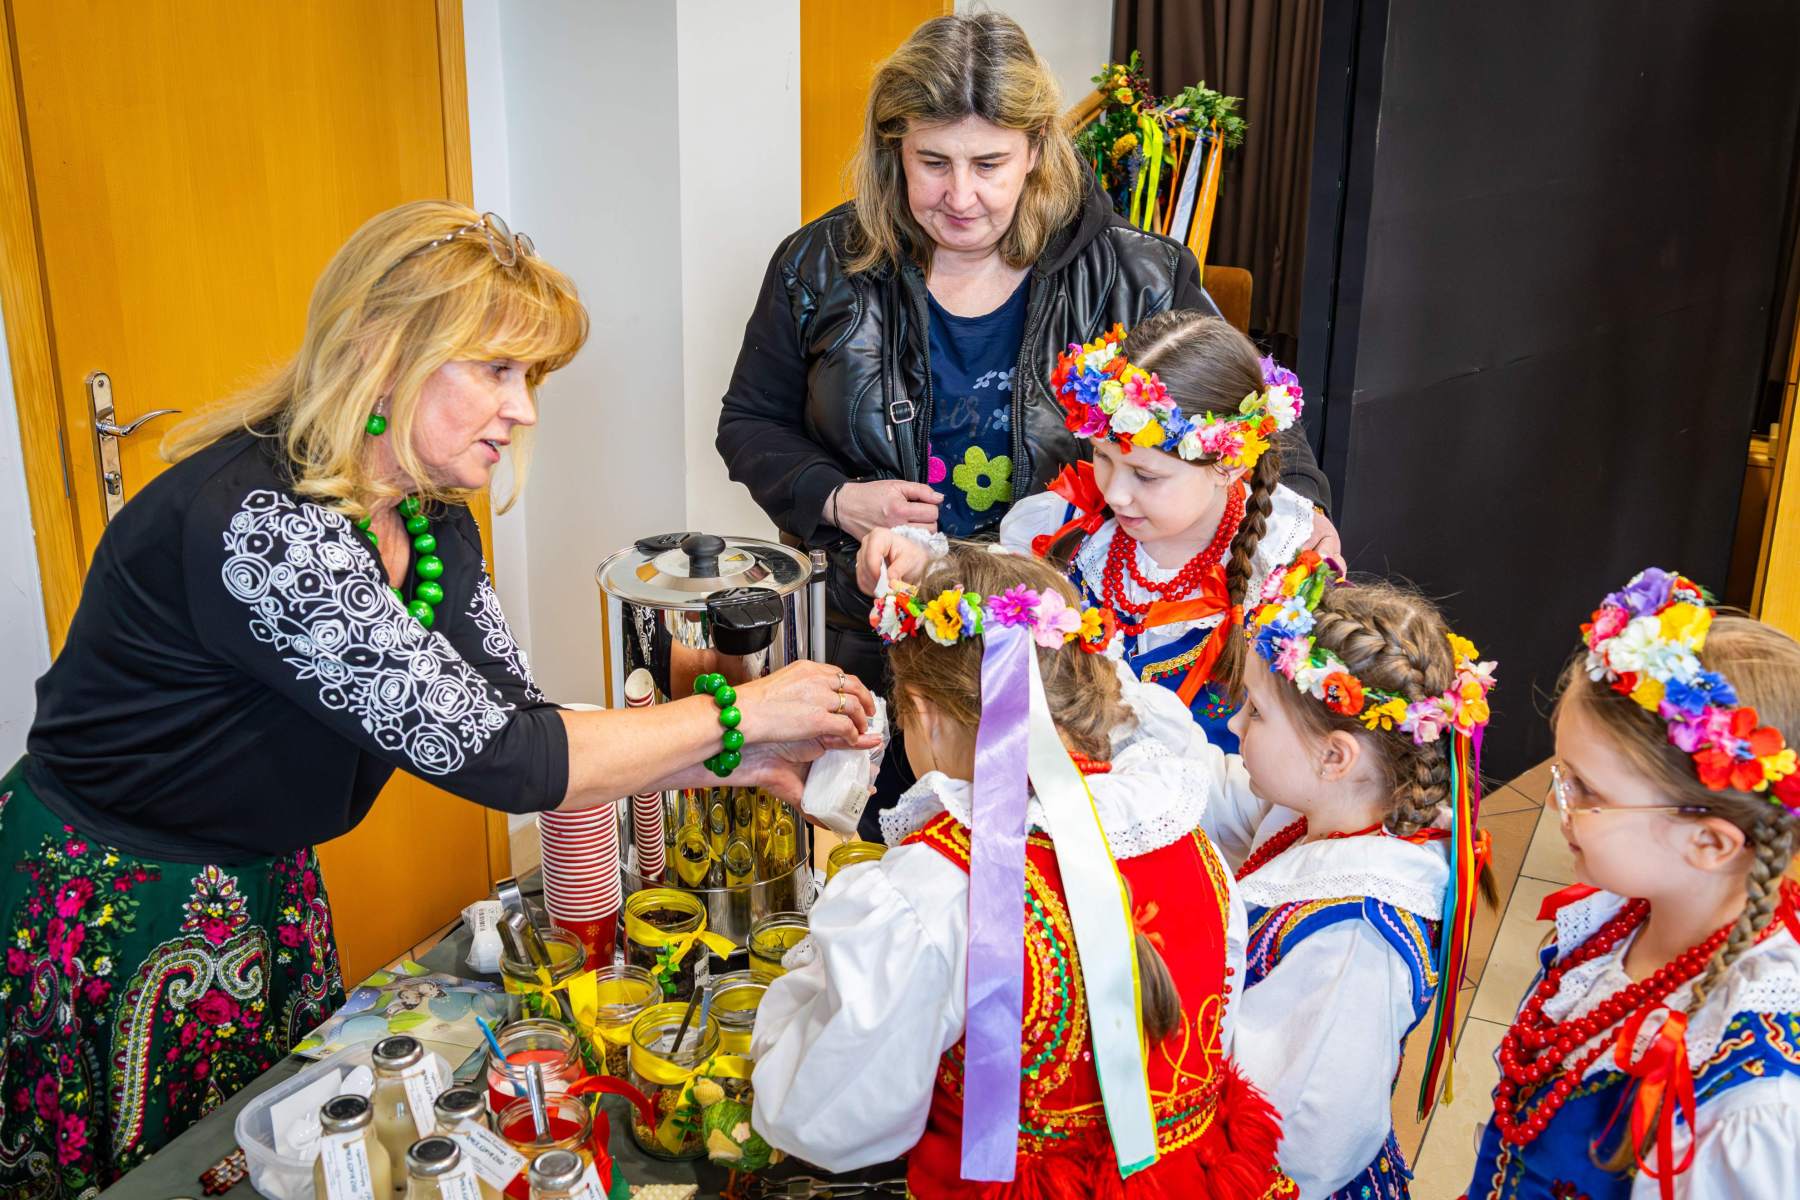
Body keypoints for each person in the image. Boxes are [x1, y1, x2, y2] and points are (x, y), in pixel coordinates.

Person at [0, 200, 872, 1194]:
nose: (524, 409)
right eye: (497, 369)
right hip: (121, 897)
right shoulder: (265, 527)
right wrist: (743, 712)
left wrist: (739, 760)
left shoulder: (423, 515)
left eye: (530, 377)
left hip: (258, 877)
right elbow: (508, 762)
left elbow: (518, 724)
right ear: (385, 352)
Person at [716, 13, 1334, 823]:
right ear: (893, 147)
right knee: (891, 851)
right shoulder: (819, 265)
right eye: (932, 162)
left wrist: (1304, 514)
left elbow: (1251, 410)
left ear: (1037, 149)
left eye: (989, 164)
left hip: (1066, 666)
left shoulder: (1135, 273)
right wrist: (836, 498)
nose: (960, 196)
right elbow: (749, 421)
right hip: (877, 647)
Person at [751, 547, 1293, 1199]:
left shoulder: (939, 887)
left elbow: (818, 1116)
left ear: (923, 711)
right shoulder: (1183, 833)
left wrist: (810, 981)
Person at [1466, 568, 1800, 1199]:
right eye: (1563, 776)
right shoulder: (1617, 919)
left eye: (1587, 790)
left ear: (1709, 843)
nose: (1558, 802)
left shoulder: (1754, 1098)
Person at [864, 311, 1322, 753]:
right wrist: (923, 565)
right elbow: (994, 596)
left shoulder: (1283, 569)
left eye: (1146, 476)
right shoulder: (1064, 530)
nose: (1115, 493)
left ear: (1230, 464)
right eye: (1103, 457)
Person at [1206, 551, 1498, 1198]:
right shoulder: (1325, 809)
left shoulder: (1355, 936)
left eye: (1255, 711)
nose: (1233, 723)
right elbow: (1219, 797)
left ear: (1335, 757)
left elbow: (1307, 1142)